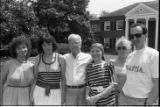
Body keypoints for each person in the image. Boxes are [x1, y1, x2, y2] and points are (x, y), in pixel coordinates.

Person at [119, 23, 159, 105]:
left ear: (145, 35)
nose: (134, 38)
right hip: (124, 99)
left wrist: (148, 103)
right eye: (131, 36)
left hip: (141, 101)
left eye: (138, 35)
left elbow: (157, 82)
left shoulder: (154, 55)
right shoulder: (130, 56)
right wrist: (121, 94)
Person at [32, 35, 66, 105]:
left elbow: (63, 79)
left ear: (53, 45)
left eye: (49, 44)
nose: (47, 47)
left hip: (56, 92)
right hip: (39, 91)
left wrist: (63, 95)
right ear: (41, 46)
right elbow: (35, 78)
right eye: (44, 45)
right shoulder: (37, 58)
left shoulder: (61, 58)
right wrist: (31, 95)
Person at [1, 36, 35, 105]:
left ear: (28, 48)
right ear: (15, 50)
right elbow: (0, 82)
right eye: (18, 48)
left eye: (24, 47)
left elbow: (34, 85)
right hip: (9, 97)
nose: (22, 50)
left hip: (26, 98)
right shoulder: (8, 64)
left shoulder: (32, 66)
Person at [63, 34, 92, 105]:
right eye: (71, 43)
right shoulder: (64, 58)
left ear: (80, 44)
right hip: (69, 91)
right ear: (69, 45)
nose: (73, 45)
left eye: (76, 42)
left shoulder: (89, 57)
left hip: (83, 90)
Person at [110, 36, 132, 103]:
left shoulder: (133, 62)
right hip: (113, 95)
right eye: (119, 48)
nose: (121, 50)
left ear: (129, 49)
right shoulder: (112, 62)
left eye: (124, 48)